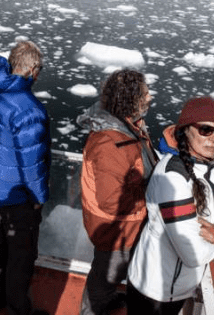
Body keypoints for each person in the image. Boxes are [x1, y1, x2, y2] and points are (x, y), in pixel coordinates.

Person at [126, 97, 214, 314]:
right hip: (154, 291)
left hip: (180, 288)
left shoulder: (211, 169)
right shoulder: (172, 178)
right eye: (205, 130)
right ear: (185, 130)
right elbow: (194, 255)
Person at [0, 40, 50, 315]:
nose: (39, 74)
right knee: (21, 256)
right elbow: (32, 165)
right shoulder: (29, 110)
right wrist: (38, 199)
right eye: (39, 69)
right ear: (31, 70)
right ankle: (18, 309)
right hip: (18, 196)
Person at [79, 69, 158, 314]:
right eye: (145, 93)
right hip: (116, 230)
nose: (150, 97)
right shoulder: (110, 144)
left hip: (126, 226)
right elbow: (111, 200)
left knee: (108, 278)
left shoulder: (127, 127)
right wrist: (149, 199)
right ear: (130, 99)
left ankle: (106, 301)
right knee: (103, 280)